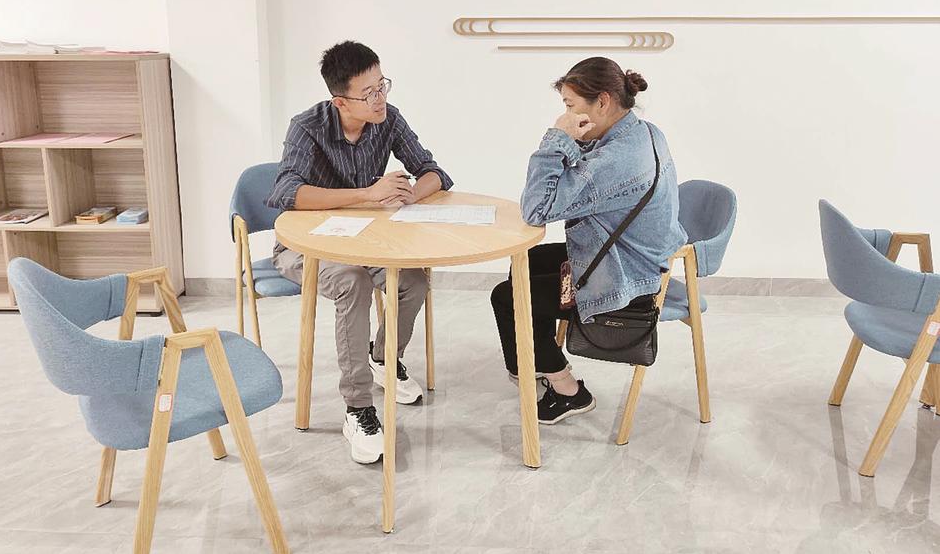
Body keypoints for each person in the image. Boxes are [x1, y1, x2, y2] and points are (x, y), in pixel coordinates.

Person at [267, 41, 453, 464]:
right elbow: (287, 192)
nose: (379, 98)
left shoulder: (389, 118)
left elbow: (434, 173)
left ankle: (383, 358)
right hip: (305, 246)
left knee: (413, 280)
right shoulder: (307, 127)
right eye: (368, 93)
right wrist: (368, 194)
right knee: (352, 282)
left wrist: (407, 194)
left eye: (382, 85)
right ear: (340, 101)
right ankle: (358, 408)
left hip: (366, 240)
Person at [491, 57, 686, 425]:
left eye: (570, 106)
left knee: (508, 296)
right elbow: (584, 171)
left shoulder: (618, 159)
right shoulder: (642, 132)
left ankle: (568, 391)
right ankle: (534, 361)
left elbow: (536, 209)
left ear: (603, 102)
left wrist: (557, 138)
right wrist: (571, 140)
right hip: (633, 255)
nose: (565, 115)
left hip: (625, 276)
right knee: (528, 263)